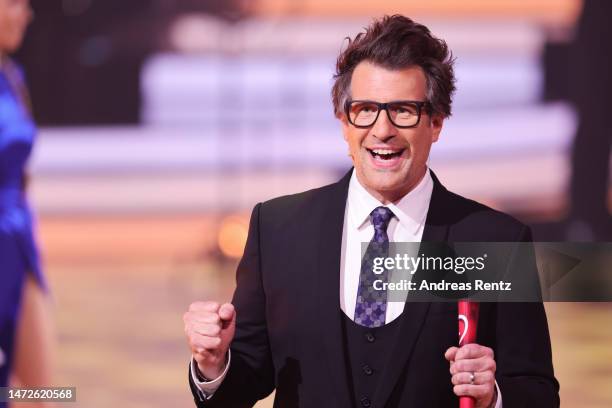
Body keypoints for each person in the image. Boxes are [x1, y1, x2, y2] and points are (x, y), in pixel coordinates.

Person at [183, 15, 559, 407]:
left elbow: (539, 394)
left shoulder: (494, 241)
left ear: (436, 123)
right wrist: (214, 364)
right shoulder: (278, 230)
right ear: (344, 121)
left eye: (404, 110)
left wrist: (493, 397)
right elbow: (243, 383)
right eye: (365, 109)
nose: (382, 130)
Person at [0, 0, 55, 406]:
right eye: (16, 2)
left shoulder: (11, 74)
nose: (26, 14)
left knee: (43, 394)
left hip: (17, 240)